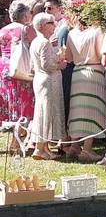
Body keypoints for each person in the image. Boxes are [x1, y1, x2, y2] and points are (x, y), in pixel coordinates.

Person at [66, 14, 106, 162]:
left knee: (77, 110)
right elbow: (104, 59)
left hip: (77, 73)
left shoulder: (72, 33)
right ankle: (87, 149)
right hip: (94, 72)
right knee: (93, 110)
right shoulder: (99, 30)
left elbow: (68, 57)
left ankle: (74, 145)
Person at [28, 13, 66, 160]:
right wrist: (60, 64)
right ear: (42, 26)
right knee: (45, 113)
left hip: (41, 79)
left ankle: (44, 148)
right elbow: (47, 65)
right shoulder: (43, 42)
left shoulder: (37, 41)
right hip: (48, 81)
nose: (54, 25)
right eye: (51, 23)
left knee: (45, 112)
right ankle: (39, 148)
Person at [0, 0, 36, 126]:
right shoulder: (26, 29)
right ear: (25, 16)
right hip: (21, 67)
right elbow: (35, 47)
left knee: (10, 98)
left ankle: (10, 127)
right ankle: (18, 136)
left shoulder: (2, 30)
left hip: (5, 67)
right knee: (24, 99)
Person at [47, 0, 74, 128]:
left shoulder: (64, 26)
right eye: (45, 8)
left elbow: (63, 47)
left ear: (59, 8)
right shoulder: (55, 25)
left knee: (64, 98)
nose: (47, 11)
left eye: (50, 8)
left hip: (64, 66)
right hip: (56, 66)